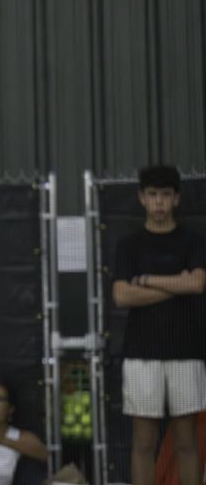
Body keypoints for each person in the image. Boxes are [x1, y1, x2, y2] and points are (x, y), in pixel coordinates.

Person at [111, 165, 206, 485]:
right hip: (142, 354)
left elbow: (196, 285)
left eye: (166, 195)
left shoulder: (193, 240)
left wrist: (149, 281)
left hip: (185, 351)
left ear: (177, 198)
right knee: (143, 442)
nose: (159, 202)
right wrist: (174, 284)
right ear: (141, 198)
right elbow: (122, 295)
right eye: (153, 195)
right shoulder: (129, 245)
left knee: (186, 442)